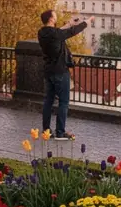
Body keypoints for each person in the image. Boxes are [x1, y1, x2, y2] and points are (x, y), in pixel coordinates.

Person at [36, 9, 91, 140]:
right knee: (63, 102)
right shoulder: (55, 34)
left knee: (48, 101)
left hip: (48, 71)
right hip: (60, 70)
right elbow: (70, 33)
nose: (56, 17)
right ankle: (60, 132)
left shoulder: (42, 33)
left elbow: (58, 33)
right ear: (51, 19)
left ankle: (46, 131)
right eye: (54, 15)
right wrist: (86, 23)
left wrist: (69, 23)